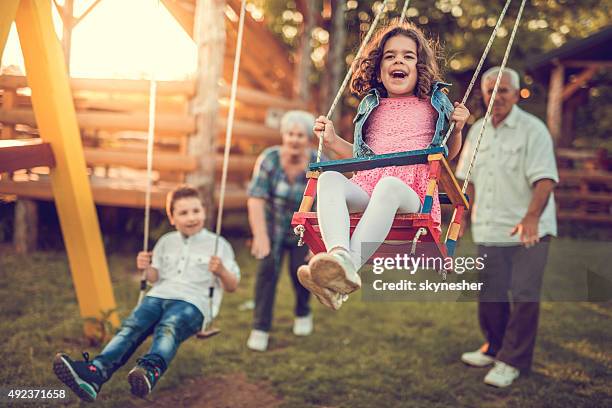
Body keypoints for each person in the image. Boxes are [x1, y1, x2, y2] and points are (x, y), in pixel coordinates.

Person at [297, 21, 470, 310]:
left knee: (389, 186)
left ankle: (346, 268)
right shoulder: (371, 105)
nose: (398, 60)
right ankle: (339, 259)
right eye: (390, 56)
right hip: (369, 185)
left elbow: (447, 155)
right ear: (379, 68)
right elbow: (365, 158)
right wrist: (332, 140)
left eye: (408, 56)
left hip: (412, 194)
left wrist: (459, 128)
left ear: (420, 67)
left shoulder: (433, 104)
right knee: (328, 179)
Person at [52, 186, 240, 401]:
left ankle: (150, 370)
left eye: (196, 211)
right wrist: (146, 267)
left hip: (192, 302)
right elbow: (154, 277)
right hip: (158, 295)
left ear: (204, 211)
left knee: (169, 327)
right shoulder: (166, 242)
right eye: (183, 213)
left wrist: (221, 271)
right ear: (172, 218)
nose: (191, 218)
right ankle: (95, 373)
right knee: (130, 329)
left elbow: (232, 285)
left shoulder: (218, 245)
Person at [455, 66, 558, 388]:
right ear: (483, 94)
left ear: (516, 93)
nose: (495, 96)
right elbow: (466, 181)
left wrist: (531, 218)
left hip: (529, 228)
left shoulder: (533, 129)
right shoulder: (477, 131)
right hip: (489, 226)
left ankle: (513, 360)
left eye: (502, 90)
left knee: (525, 294)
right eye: (490, 90)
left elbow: (544, 178)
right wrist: (460, 218)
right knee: (490, 294)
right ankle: (494, 347)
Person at [246, 110, 318, 352]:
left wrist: (315, 242)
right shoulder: (270, 159)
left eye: (300, 135)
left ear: (308, 138)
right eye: (290, 134)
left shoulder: (319, 162)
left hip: (304, 228)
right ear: (283, 136)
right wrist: (260, 237)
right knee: (267, 272)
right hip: (273, 225)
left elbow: (324, 205)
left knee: (302, 273)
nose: (294, 139)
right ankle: (260, 327)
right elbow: (256, 198)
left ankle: (303, 312)